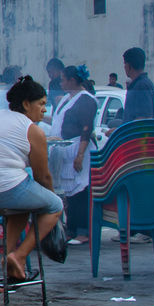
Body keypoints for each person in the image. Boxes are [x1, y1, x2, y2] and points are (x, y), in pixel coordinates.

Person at [0, 76, 64, 282]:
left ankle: (8, 255)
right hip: (2, 191)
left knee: (24, 200)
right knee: (55, 205)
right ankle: (19, 256)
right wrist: (50, 198)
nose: (45, 110)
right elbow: (43, 176)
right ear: (27, 104)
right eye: (42, 104)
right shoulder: (33, 130)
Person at [47, 66, 97, 246]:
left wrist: (80, 155)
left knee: (80, 191)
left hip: (78, 148)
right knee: (69, 194)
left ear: (72, 81)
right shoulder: (67, 99)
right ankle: (72, 229)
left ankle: (83, 231)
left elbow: (86, 129)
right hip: (64, 150)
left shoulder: (86, 100)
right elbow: (57, 121)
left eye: (63, 80)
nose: (61, 83)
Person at [122, 47, 154, 123]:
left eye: (124, 64)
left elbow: (144, 119)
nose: (124, 67)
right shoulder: (137, 84)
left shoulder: (141, 85)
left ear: (128, 66)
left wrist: (121, 130)